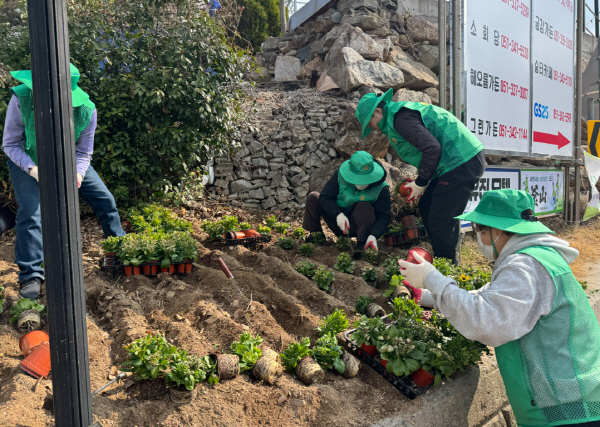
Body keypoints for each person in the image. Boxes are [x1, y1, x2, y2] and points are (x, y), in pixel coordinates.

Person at [399, 189, 600, 427]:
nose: (479, 237)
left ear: (500, 230)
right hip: (574, 400)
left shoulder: (523, 266)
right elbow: (487, 298)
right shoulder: (538, 257)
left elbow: (487, 322)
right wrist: (428, 296)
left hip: (566, 411)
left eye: (481, 229)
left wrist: (433, 279)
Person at [2, 64, 125, 300]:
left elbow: (83, 152)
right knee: (31, 213)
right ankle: (31, 275)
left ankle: (119, 251)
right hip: (26, 159)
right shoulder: (22, 99)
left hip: (68, 161)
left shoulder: (87, 110)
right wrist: (33, 170)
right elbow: (11, 144)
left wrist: (78, 175)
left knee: (105, 200)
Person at [355, 89, 485, 263]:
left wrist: (421, 182)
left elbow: (432, 148)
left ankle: (447, 269)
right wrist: (419, 180)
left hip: (461, 160)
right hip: (450, 162)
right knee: (427, 205)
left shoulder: (400, 119)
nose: (372, 129)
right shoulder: (395, 118)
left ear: (378, 111)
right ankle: (441, 258)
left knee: (440, 220)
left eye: (370, 123)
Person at [302, 151, 391, 259]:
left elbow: (384, 216)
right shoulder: (340, 176)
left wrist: (373, 235)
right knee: (313, 197)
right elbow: (326, 197)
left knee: (364, 206)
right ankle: (316, 236)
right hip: (338, 221)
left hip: (359, 225)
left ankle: (362, 244)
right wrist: (338, 214)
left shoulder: (381, 188)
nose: (361, 182)